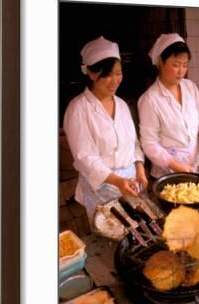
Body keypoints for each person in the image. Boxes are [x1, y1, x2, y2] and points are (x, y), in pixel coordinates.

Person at [63, 36, 147, 223]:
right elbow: (85, 158)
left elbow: (133, 144)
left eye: (118, 73)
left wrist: (140, 168)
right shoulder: (78, 109)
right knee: (108, 234)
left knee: (135, 232)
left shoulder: (123, 105)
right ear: (92, 74)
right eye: (107, 74)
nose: (115, 80)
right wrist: (117, 181)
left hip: (130, 184)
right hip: (101, 188)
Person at [138, 33, 199, 178]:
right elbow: (149, 144)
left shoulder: (190, 88)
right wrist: (174, 165)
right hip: (166, 174)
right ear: (160, 62)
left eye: (185, 65)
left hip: (192, 167)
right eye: (175, 65)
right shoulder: (150, 100)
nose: (181, 71)